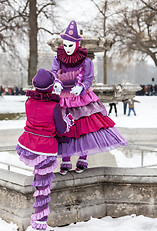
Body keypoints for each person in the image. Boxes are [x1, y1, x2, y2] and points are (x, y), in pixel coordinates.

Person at [51, 20, 128, 175]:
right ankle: (65, 160)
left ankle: (82, 158)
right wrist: (56, 82)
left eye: (70, 45)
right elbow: (53, 72)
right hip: (64, 99)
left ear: (77, 44)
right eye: (65, 45)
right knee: (64, 129)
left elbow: (88, 78)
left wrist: (82, 87)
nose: (67, 49)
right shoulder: (58, 59)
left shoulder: (86, 61)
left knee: (84, 128)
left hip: (81, 99)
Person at [16, 68, 74, 231]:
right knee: (43, 187)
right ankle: (40, 225)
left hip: (28, 144)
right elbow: (61, 129)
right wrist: (68, 120)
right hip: (45, 149)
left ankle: (39, 222)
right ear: (50, 87)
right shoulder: (54, 106)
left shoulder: (28, 102)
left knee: (39, 182)